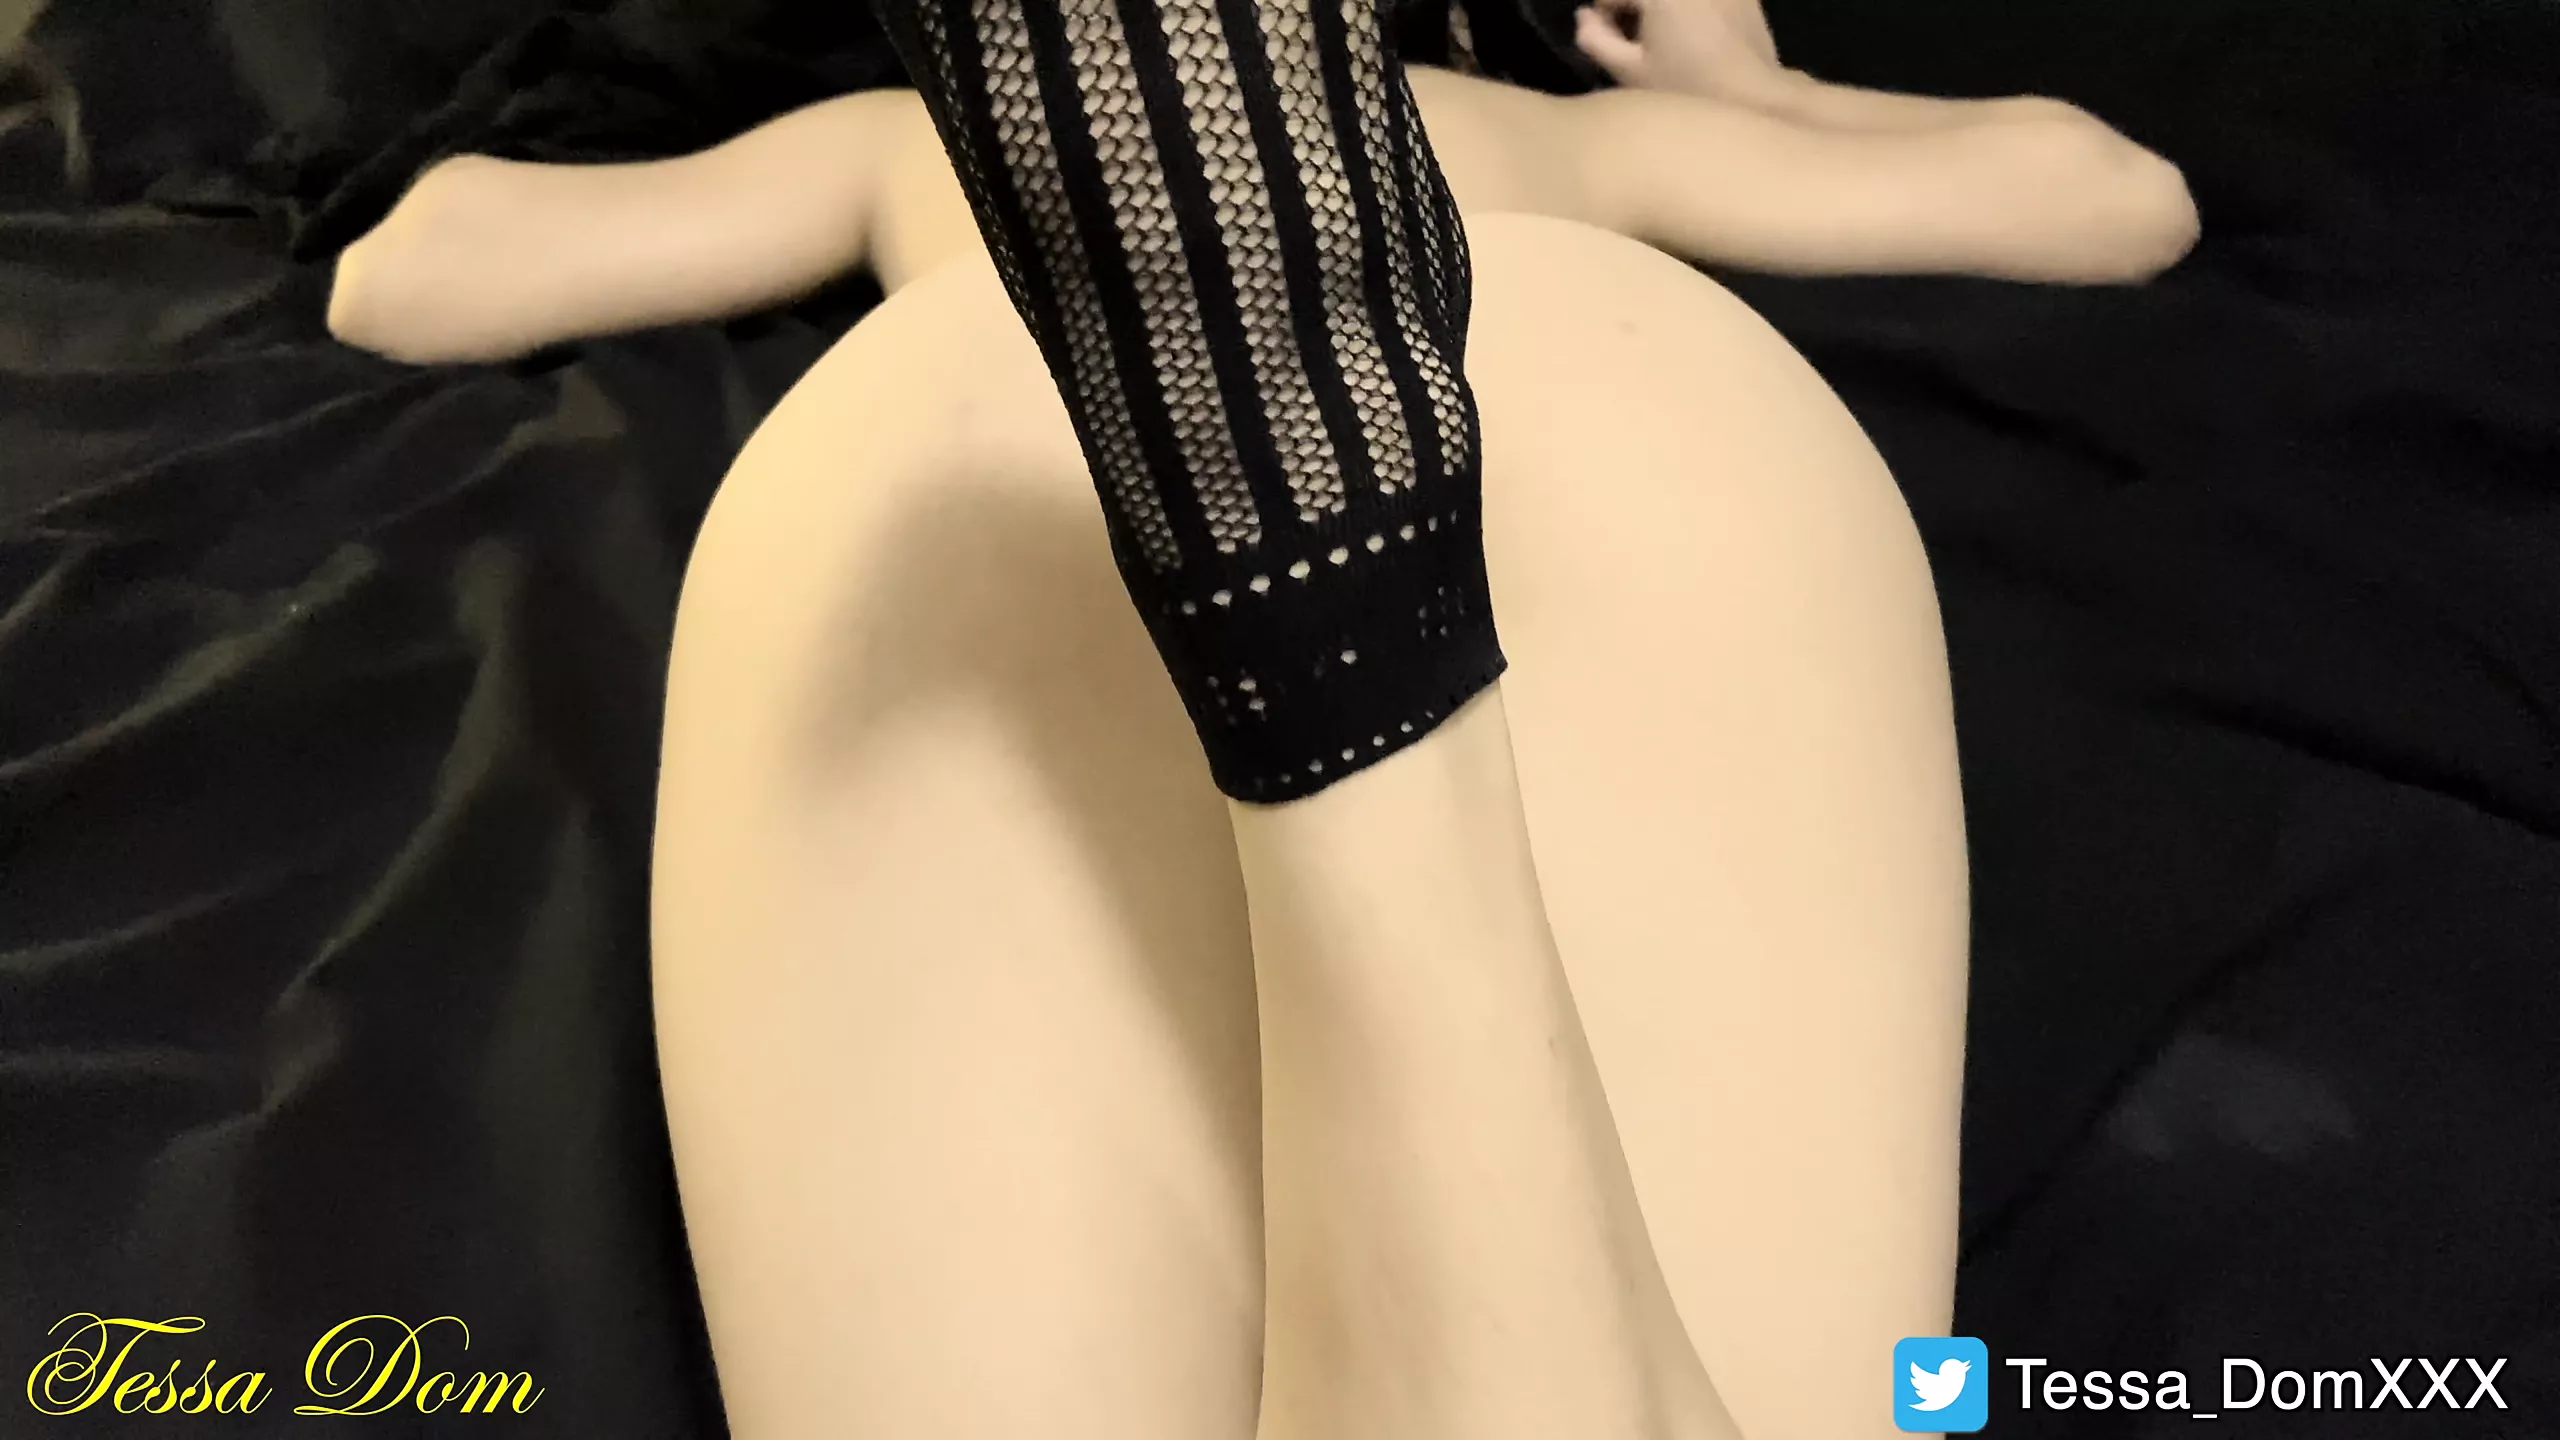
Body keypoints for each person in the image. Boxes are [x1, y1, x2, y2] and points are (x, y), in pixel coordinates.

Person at [335, 5, 2193, 1436]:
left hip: (985, 438)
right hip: (1583, 391)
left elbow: (417, 274)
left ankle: (1277, 510)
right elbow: (2111, 199)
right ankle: (1350, 628)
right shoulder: (1581, 135)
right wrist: (1763, 94)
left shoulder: (900, 136)